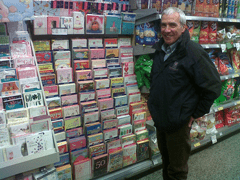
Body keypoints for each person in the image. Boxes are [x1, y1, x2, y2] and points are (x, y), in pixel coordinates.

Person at [147, 7, 222, 180]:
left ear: (183, 27)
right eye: (163, 25)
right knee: (166, 163)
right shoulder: (160, 50)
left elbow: (213, 86)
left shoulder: (193, 52)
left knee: (177, 170)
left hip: (179, 123)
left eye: (172, 25)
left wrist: (195, 113)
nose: (167, 30)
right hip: (161, 119)